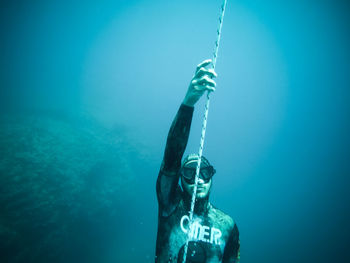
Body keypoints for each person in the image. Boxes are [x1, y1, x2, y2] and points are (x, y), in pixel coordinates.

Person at [155, 59, 240, 262]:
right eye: (189, 173)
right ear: (180, 179)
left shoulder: (227, 225)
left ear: (211, 175)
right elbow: (171, 161)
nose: (198, 179)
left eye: (204, 172)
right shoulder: (170, 204)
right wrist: (188, 102)